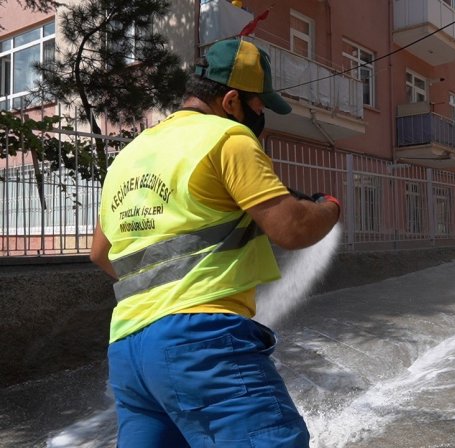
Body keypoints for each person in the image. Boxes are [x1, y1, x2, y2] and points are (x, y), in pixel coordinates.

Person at [90, 39, 341, 447]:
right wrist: (329, 207)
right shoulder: (229, 139)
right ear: (230, 101)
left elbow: (100, 253)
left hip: (129, 354)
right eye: (258, 107)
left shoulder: (130, 154)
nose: (261, 118)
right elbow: (292, 228)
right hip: (202, 343)